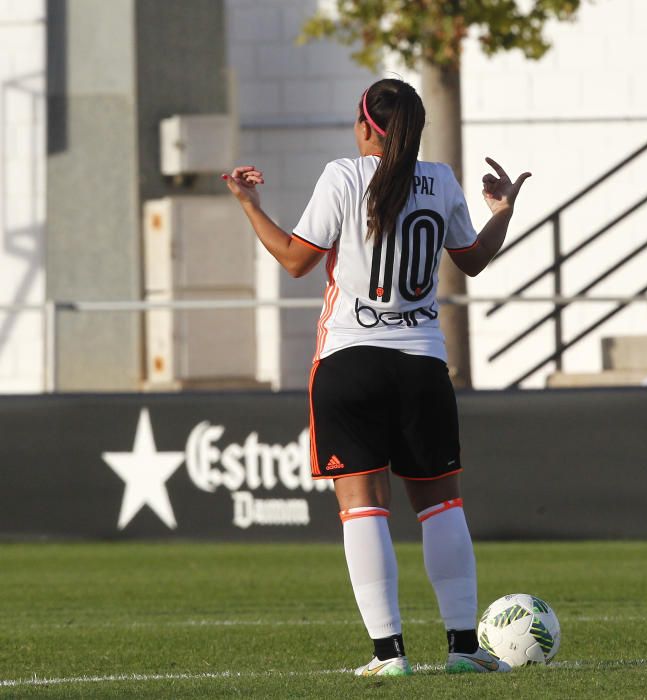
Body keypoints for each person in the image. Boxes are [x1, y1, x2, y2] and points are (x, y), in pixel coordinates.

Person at [223, 78, 530, 677]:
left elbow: (294, 259)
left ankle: (389, 654)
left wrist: (248, 205)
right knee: (442, 509)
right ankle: (464, 648)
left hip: (350, 362)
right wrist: (504, 211)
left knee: (363, 511)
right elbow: (473, 261)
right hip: (422, 365)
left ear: (366, 126)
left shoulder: (343, 176)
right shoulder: (439, 179)